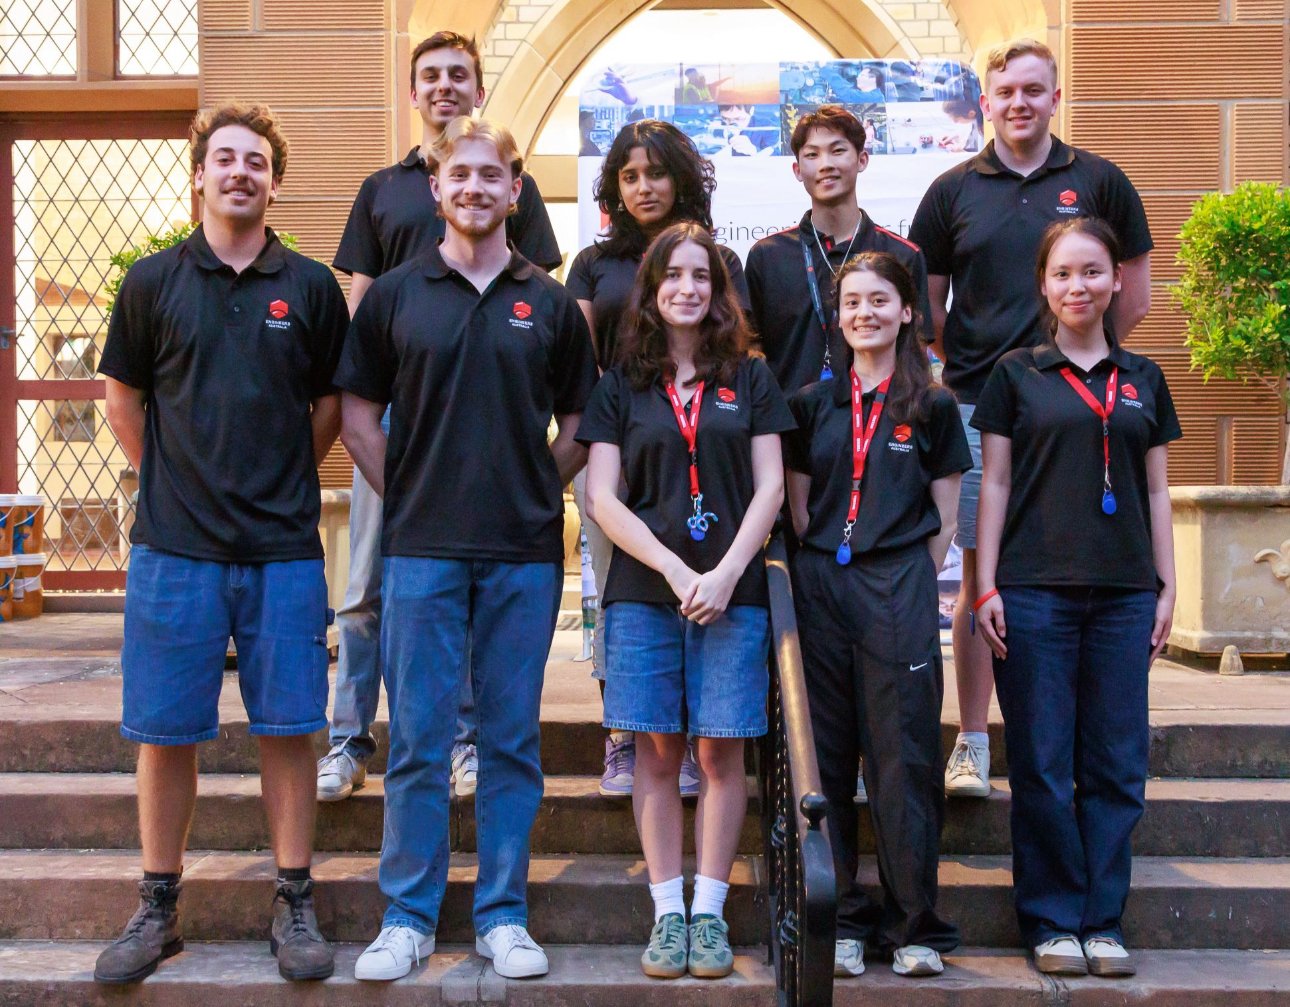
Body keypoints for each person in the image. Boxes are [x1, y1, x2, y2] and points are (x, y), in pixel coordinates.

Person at [335, 116, 597, 983]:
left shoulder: (551, 304)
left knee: (512, 740)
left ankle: (502, 912)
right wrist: (403, 488)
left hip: (522, 553)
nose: (477, 188)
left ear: (514, 192)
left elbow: (584, 423)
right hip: (422, 549)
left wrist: (537, 484)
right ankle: (407, 913)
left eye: (494, 175)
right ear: (439, 189)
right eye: (462, 175)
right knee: (415, 736)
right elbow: (358, 413)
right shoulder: (396, 296)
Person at [95, 102, 347, 984]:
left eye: (256, 162)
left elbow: (328, 408)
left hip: (282, 549)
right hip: (175, 549)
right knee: (165, 733)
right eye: (225, 159)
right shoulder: (153, 282)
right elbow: (122, 397)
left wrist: (280, 472)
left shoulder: (311, 286)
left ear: (274, 181)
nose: (241, 172)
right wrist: (175, 476)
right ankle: (158, 908)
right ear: (199, 173)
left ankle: (294, 900)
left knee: (289, 729)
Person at [319, 31, 562, 805]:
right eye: (431, 76)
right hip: (393, 412)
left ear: (478, 90)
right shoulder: (382, 188)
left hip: (483, 416)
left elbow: (544, 313)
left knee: (463, 588)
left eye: (460, 74)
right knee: (362, 588)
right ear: (414, 92)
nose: (445, 85)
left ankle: (463, 743)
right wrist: (391, 462)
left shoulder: (500, 181)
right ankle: (350, 739)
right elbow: (360, 305)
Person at [908, 38, 1153, 801]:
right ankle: (974, 741)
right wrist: (999, 373)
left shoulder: (1101, 183)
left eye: (1034, 90)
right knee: (983, 575)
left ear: (1056, 97)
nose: (1019, 102)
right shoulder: (952, 191)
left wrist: (1067, 374)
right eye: (1005, 90)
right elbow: (930, 307)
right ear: (987, 102)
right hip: (984, 409)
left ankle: (1073, 736)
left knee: (1069, 576)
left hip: (1083, 408)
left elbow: (1135, 296)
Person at [578, 222, 793, 980]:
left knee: (721, 748)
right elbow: (602, 497)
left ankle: (709, 912)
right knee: (657, 753)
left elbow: (771, 485)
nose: (688, 288)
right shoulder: (621, 385)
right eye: (673, 275)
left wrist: (730, 571)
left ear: (718, 289)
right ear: (651, 287)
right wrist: (674, 569)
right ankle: (667, 913)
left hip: (732, 592)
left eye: (702, 276)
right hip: (645, 591)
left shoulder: (750, 377)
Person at [972, 217, 1179, 978]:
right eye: (1063, 274)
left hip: (1126, 595)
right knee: (1043, 759)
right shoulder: (1015, 373)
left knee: (1119, 762)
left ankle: (1103, 917)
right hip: (1033, 596)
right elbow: (991, 483)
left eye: (1092, 271)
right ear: (1044, 286)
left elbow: (1157, 491)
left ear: (1117, 279)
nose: (1078, 286)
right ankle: (1053, 917)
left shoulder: (1145, 378)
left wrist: (1168, 584)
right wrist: (985, 583)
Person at [786, 252, 968, 979]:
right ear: (838, 315)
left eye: (880, 300)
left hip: (898, 582)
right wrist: (828, 561)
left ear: (905, 312)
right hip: (822, 580)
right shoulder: (811, 403)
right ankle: (848, 919)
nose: (865, 312)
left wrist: (901, 580)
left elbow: (946, 515)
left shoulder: (933, 404)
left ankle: (913, 921)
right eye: (852, 301)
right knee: (825, 758)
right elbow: (799, 505)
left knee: (904, 756)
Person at [566, 119, 748, 799]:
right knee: (617, 589)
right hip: (619, 446)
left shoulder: (719, 261)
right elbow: (576, 363)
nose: (644, 186)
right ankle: (623, 734)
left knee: (702, 582)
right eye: (629, 175)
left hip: (702, 449)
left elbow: (737, 350)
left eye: (656, 172)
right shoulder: (593, 264)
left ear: (682, 178)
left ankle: (699, 740)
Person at [747, 104, 932, 398]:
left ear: (862, 159)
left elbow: (916, 352)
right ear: (797, 170)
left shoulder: (902, 255)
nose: (825, 164)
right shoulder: (766, 257)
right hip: (788, 430)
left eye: (837, 151)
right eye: (812, 155)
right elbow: (751, 353)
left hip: (879, 426)